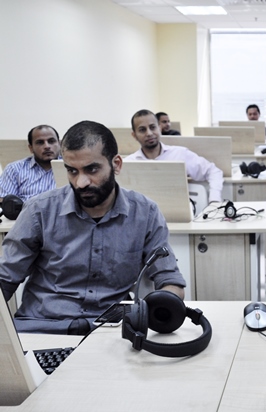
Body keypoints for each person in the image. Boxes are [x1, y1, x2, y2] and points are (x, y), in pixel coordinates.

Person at [0, 120, 186, 334]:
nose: (81, 182)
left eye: (92, 169)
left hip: (110, 330)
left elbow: (169, 279)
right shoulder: (39, 211)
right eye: (72, 171)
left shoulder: (145, 213)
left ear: (116, 164)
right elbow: (5, 278)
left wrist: (163, 308)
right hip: (41, 327)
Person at [127, 109, 223, 204]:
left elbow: (213, 171)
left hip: (180, 211)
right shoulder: (128, 163)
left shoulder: (179, 154)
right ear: (134, 135)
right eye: (142, 130)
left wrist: (214, 199)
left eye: (152, 127)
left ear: (159, 128)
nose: (149, 133)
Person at [0, 125, 61, 203]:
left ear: (59, 144)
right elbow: (5, 202)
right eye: (40, 142)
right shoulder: (14, 169)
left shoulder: (71, 168)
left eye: (51, 141)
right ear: (31, 148)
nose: (47, 146)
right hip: (25, 210)